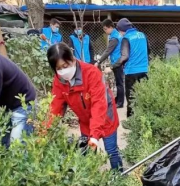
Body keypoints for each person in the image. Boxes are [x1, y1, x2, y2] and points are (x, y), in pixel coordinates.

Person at [47, 43, 123, 171]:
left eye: (65, 66)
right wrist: (45, 132)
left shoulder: (91, 73)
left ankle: (120, 177)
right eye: (58, 68)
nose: (63, 71)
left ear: (72, 59)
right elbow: (55, 107)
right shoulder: (59, 81)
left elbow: (99, 104)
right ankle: (89, 182)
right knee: (87, 153)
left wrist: (94, 135)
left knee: (111, 151)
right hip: (85, 121)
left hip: (105, 118)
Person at [111, 18, 150, 118]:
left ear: (122, 29)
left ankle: (131, 121)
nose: (119, 33)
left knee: (131, 98)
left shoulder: (126, 38)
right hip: (144, 70)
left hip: (131, 72)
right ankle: (143, 118)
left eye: (119, 31)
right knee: (143, 96)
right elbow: (148, 50)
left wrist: (112, 66)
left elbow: (125, 56)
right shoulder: (142, 35)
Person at [96, 19, 124, 108]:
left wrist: (99, 61)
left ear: (111, 27)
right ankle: (118, 99)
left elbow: (108, 51)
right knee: (118, 82)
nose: (105, 31)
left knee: (119, 83)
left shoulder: (115, 38)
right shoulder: (115, 35)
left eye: (105, 29)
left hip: (117, 62)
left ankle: (120, 103)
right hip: (117, 61)